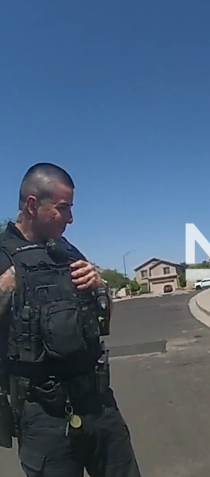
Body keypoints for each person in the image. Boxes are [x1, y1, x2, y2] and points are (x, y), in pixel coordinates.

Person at [0, 163, 142, 476]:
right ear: (33, 204)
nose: (71, 218)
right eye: (63, 209)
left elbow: (103, 321)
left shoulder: (67, 251)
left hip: (98, 404)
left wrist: (100, 286)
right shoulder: (3, 255)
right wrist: (6, 287)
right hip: (43, 417)